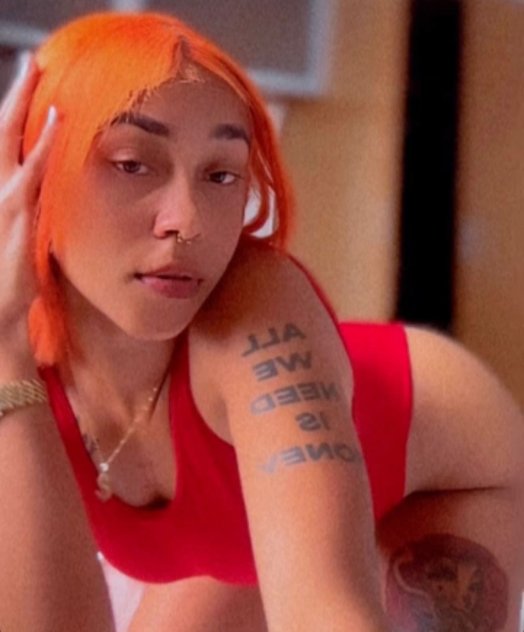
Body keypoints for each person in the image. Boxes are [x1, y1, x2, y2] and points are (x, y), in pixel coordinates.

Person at [0, 11, 522, 632]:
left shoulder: (254, 306)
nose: (186, 220)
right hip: (247, 514)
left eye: (222, 174)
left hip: (439, 480)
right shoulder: (20, 348)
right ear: (33, 176)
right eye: (133, 163)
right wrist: (5, 342)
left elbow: (326, 612)